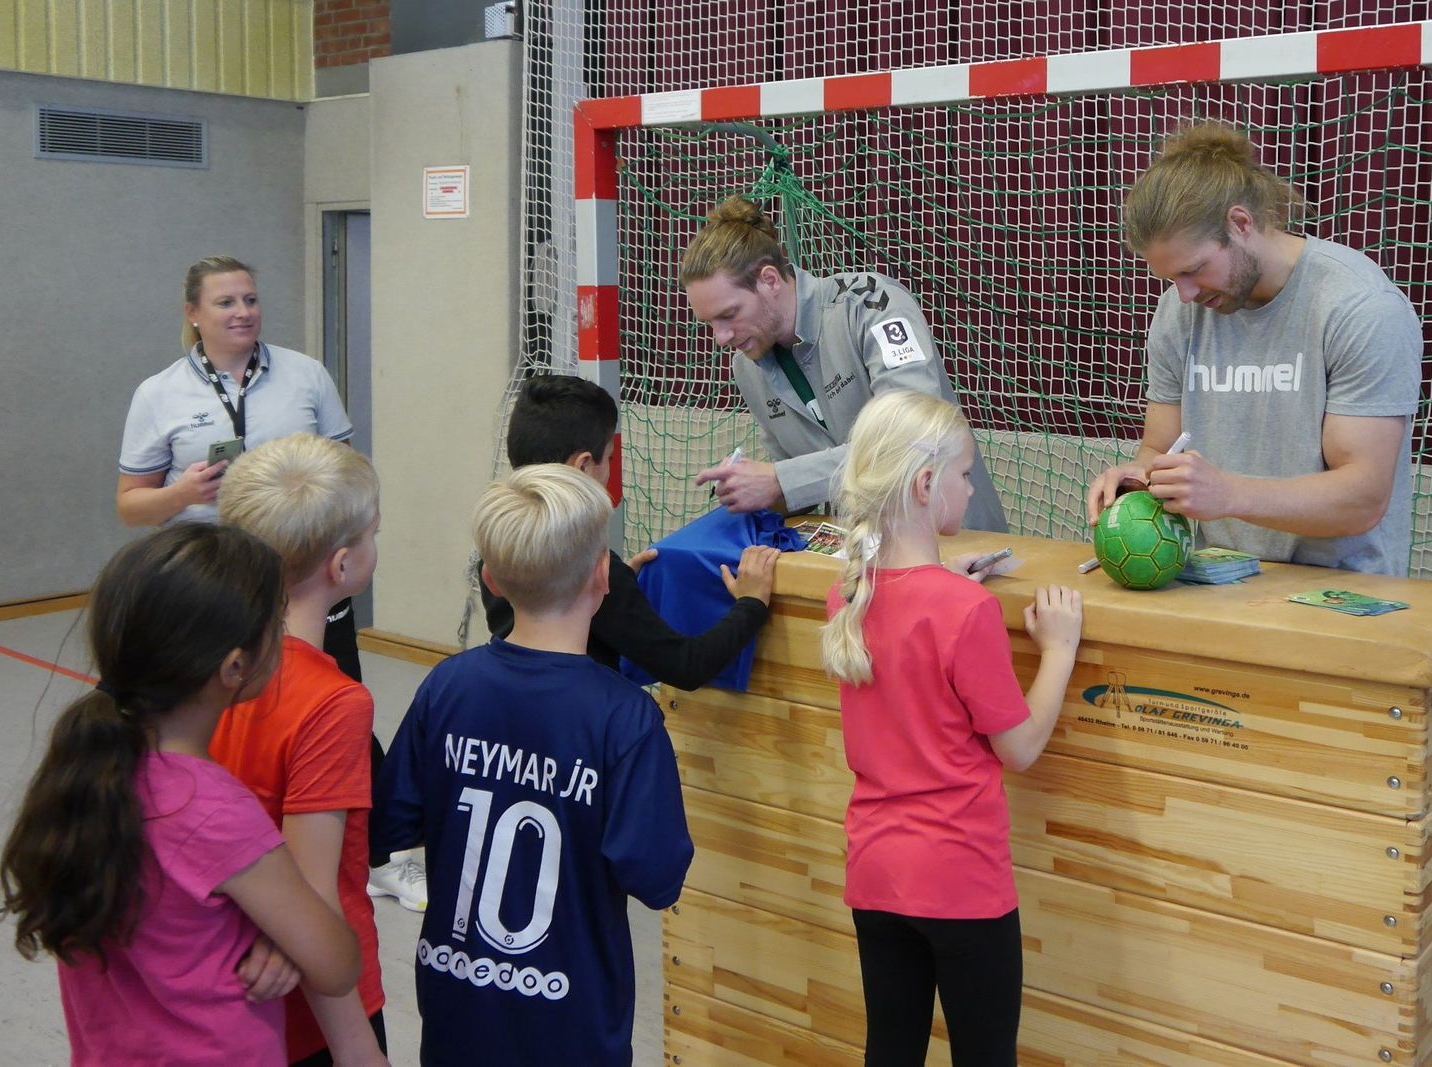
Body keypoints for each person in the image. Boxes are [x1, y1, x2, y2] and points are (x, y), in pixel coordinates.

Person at [0, 524, 360, 1066]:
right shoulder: (213, 809)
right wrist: (294, 935)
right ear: (234, 667)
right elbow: (336, 966)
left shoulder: (87, 771)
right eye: (277, 622)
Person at [115, 254, 417, 901]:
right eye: (225, 302)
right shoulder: (159, 394)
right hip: (217, 588)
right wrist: (182, 494)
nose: (243, 312)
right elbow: (130, 504)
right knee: (228, 712)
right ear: (193, 313)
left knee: (333, 706)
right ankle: (233, 837)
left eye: (250, 299)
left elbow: (343, 472)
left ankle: (380, 854)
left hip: (306, 582)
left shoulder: (306, 375)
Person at [374, 464, 694, 1067]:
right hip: (571, 1026)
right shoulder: (626, 718)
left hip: (456, 1010)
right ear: (603, 575)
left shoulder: (447, 687)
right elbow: (657, 877)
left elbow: (389, 822)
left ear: (491, 580)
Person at [820, 390, 1082, 1065]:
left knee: (892, 1049)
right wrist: (1058, 650)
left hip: (877, 873)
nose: (971, 488)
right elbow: (1020, 748)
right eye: (965, 474)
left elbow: (909, 605)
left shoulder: (847, 594)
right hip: (960, 878)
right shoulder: (965, 610)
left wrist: (939, 575)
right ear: (926, 484)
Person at [1086, 124, 1423, 576]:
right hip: (1217, 579)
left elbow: (1362, 500)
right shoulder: (1178, 311)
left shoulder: (1359, 308)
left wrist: (1228, 496)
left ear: (1241, 224)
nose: (1185, 294)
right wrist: (1137, 478)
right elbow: (1159, 449)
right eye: (1172, 279)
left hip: (1338, 593)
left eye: (1194, 269)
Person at [211, 433, 390, 1067]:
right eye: (373, 534)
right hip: (316, 1007)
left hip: (223, 988)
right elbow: (312, 899)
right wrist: (356, 1047)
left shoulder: (198, 668)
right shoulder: (334, 703)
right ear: (341, 566)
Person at [680, 196, 1009, 533]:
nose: (721, 337)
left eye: (729, 314)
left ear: (770, 280)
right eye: (710, 323)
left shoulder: (871, 305)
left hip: (951, 538)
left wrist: (781, 480)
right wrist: (752, 488)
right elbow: (802, 488)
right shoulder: (748, 368)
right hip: (862, 548)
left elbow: (912, 440)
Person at [479, 373, 780, 687]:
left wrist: (613, 588)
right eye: (609, 457)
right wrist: (751, 603)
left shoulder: (497, 550)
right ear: (583, 466)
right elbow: (686, 666)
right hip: (587, 712)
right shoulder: (588, 568)